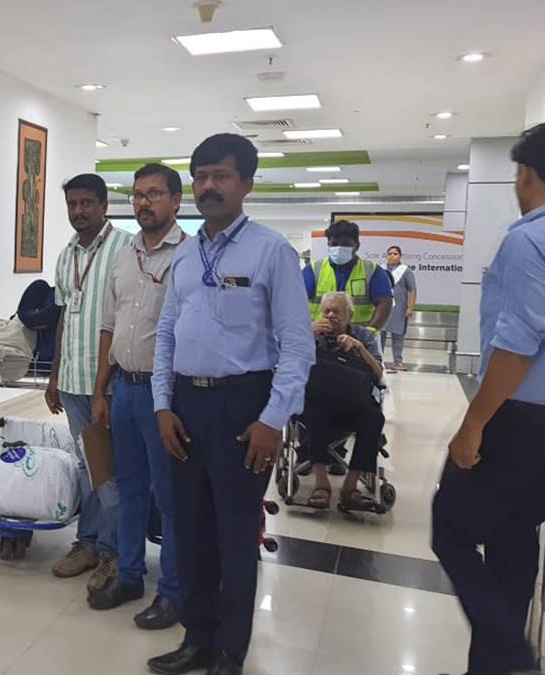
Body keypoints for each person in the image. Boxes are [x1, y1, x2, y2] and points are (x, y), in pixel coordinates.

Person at [149, 134, 314, 675]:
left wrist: (273, 419)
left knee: (236, 535)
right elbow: (166, 333)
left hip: (245, 409)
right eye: (200, 176)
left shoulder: (271, 251)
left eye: (220, 176)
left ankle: (229, 650)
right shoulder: (185, 253)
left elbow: (298, 345)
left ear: (246, 183)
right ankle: (197, 637)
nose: (208, 187)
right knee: (190, 530)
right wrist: (162, 405)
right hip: (185, 405)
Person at [433, 123, 545, 675]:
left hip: (520, 418)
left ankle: (511, 655)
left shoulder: (528, 239)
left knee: (449, 529)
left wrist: (474, 423)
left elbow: (519, 343)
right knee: (513, 542)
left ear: (525, 175)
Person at [87, 163, 184, 630]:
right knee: (128, 489)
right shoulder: (124, 256)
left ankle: (173, 591)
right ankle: (129, 576)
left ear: (176, 202)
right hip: (122, 389)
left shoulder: (187, 257)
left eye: (154, 194)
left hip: (163, 396)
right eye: (138, 195)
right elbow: (109, 326)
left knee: (168, 497)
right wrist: (100, 390)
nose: (144, 203)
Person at [46, 173, 134, 591]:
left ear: (103, 205)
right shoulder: (66, 255)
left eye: (86, 203)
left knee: (111, 473)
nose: (78, 211)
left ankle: (113, 553)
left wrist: (104, 385)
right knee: (87, 466)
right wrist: (54, 374)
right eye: (72, 204)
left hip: (111, 385)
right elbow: (65, 315)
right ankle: (88, 543)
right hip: (73, 381)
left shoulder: (126, 248)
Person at [304, 292, 386, 511]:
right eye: (327, 311)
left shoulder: (364, 337)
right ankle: (321, 482)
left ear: (350, 316)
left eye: (337, 312)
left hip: (353, 403)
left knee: (374, 418)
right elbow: (285, 361)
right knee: (315, 408)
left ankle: (350, 487)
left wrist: (359, 348)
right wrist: (306, 335)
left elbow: (379, 376)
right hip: (317, 401)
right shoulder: (310, 333)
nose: (331, 316)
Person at [303, 219, 393, 330]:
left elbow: (385, 303)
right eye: (334, 244)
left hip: (357, 336)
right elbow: (295, 301)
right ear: (328, 244)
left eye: (345, 244)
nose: (339, 248)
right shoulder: (314, 270)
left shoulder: (372, 271)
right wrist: (307, 327)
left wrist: (370, 331)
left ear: (357, 246)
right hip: (320, 335)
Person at [382, 245, 418, 370]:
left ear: (400, 256)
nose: (392, 256)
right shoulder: (380, 269)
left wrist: (410, 307)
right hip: (382, 308)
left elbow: (412, 290)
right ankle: (377, 360)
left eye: (395, 254)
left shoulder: (405, 271)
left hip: (399, 309)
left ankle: (398, 362)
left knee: (398, 335)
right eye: (390, 253)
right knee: (380, 335)